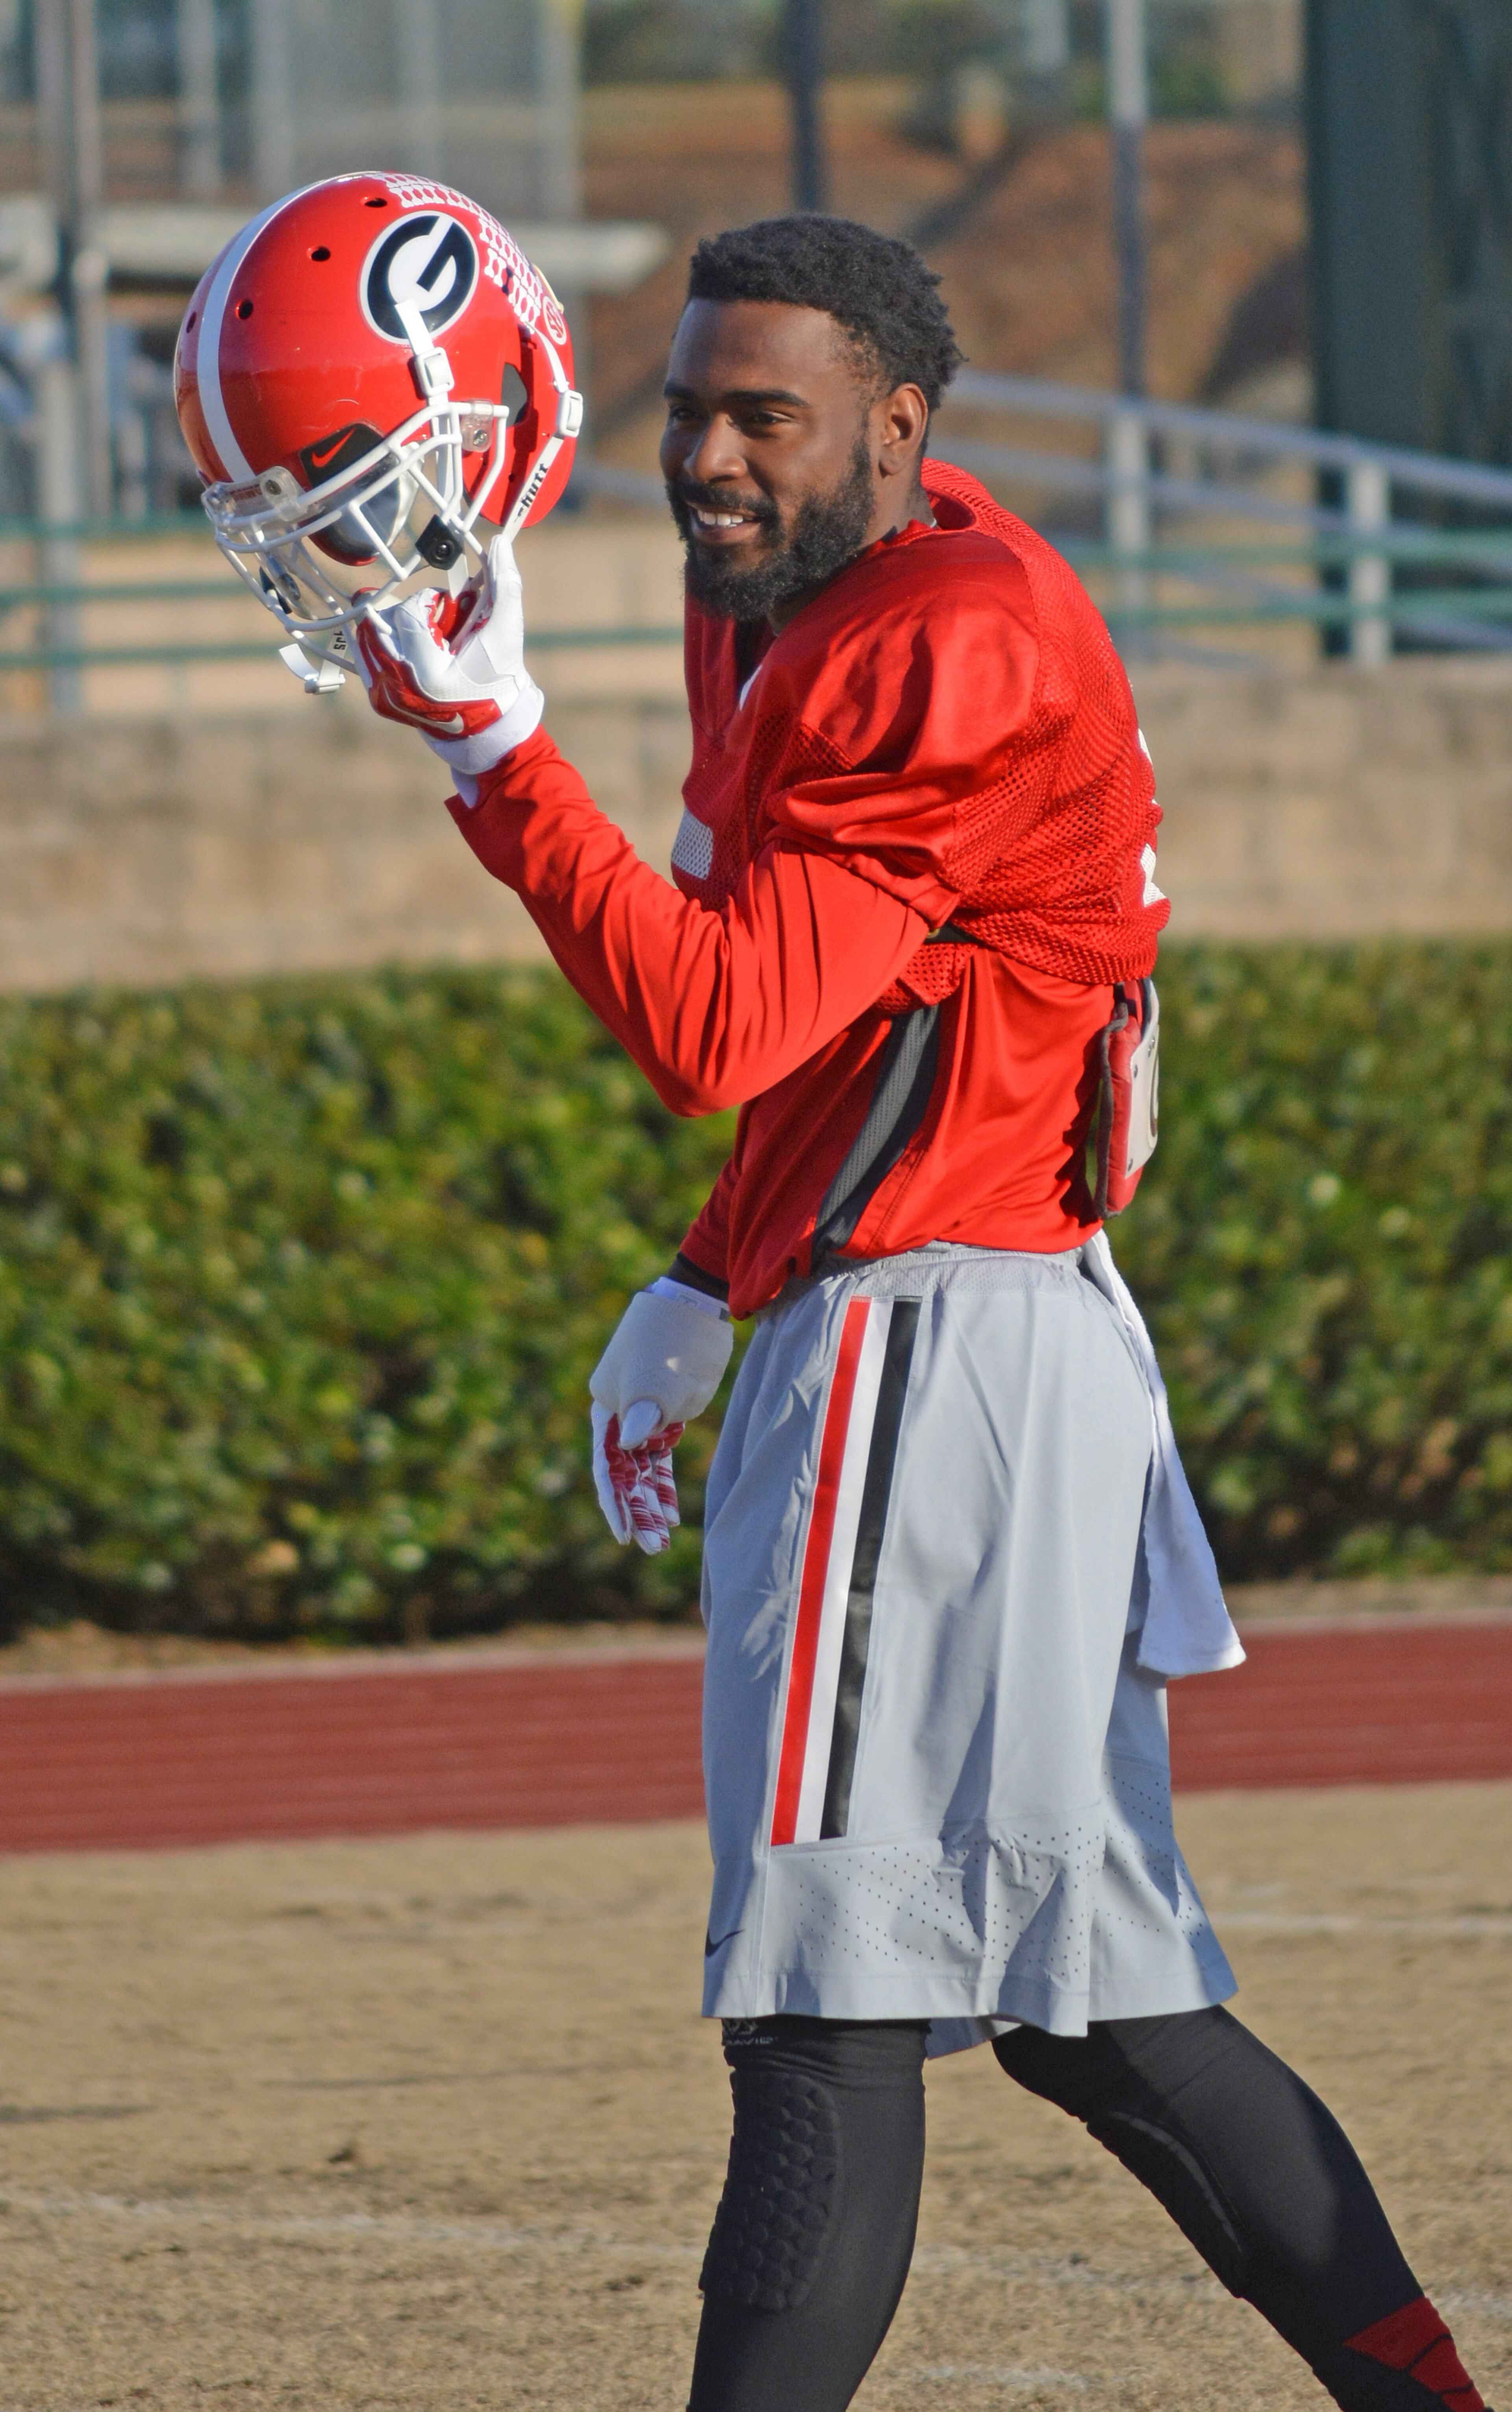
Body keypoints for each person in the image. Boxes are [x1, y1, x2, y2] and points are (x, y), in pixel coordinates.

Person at [353, 215, 1489, 2412]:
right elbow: (838, 1038)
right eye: (687, 406)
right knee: (1093, 2006)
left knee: (819, 2007)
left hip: (934, 1351)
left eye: (762, 415)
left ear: (899, 421)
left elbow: (719, 1022)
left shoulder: (935, 637)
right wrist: (708, 1273)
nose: (707, 456)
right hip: (1001, 1324)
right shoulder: (819, 589)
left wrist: (500, 756)